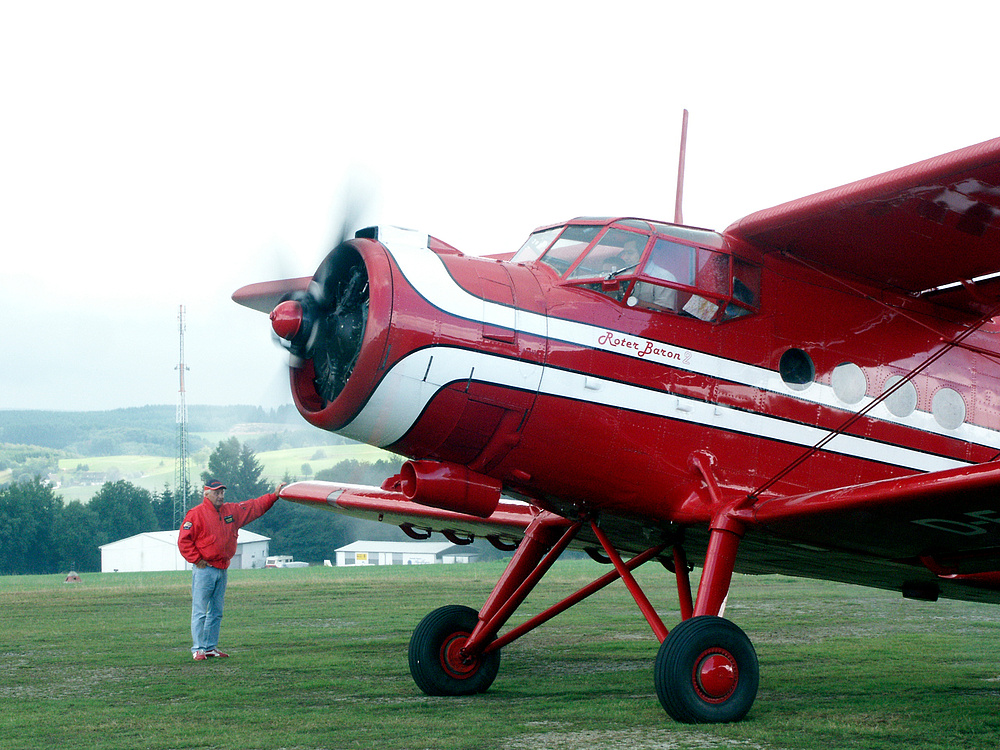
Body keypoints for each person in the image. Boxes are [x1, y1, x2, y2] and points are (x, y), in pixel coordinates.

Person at [178, 479, 286, 660]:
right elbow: (184, 541)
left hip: (222, 569)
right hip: (205, 570)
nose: (220, 496)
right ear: (206, 494)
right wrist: (197, 560)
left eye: (222, 492)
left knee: (216, 611)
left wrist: (274, 496)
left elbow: (253, 507)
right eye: (216, 492)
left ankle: (210, 647)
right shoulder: (195, 514)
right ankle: (198, 649)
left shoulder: (231, 511)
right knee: (199, 611)